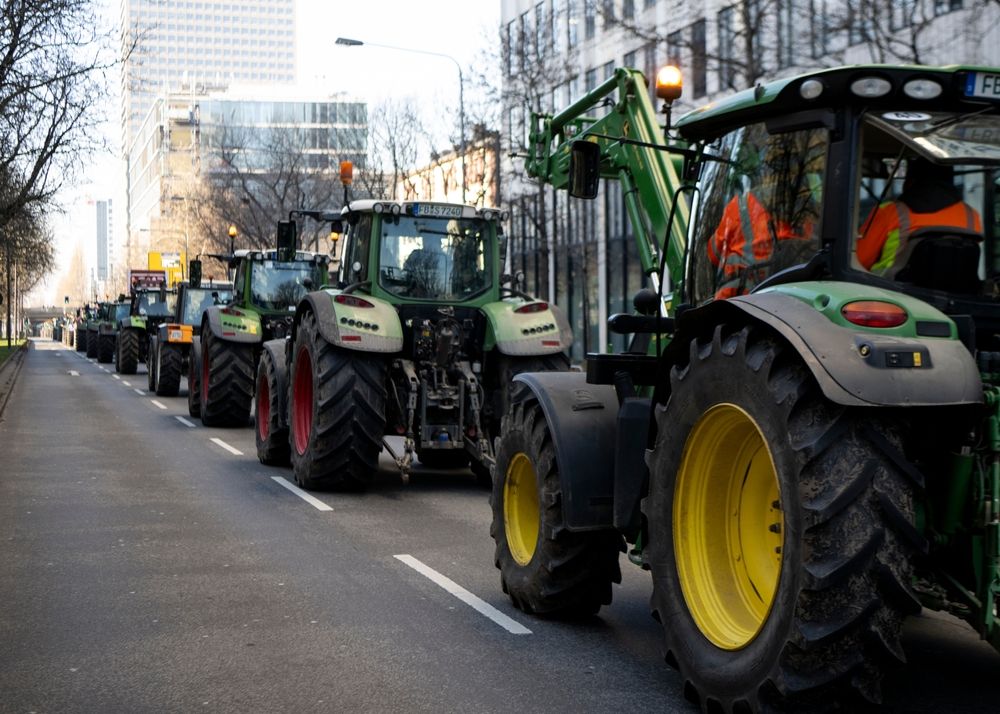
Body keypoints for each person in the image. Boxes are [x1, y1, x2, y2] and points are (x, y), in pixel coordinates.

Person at [857, 158, 982, 275]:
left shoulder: (890, 211)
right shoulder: (971, 215)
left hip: (890, 291)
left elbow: (860, 261)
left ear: (912, 181)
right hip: (959, 294)